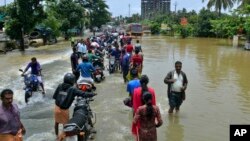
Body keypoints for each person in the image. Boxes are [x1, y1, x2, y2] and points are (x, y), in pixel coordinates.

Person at [53, 73, 96, 137]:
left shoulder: (60, 86)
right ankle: (64, 138)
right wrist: (92, 94)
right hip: (64, 110)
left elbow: (55, 96)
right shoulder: (72, 89)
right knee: (67, 127)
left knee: (56, 123)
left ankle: (57, 136)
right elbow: (83, 93)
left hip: (56, 108)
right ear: (72, 81)